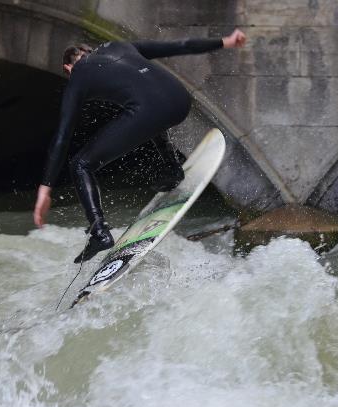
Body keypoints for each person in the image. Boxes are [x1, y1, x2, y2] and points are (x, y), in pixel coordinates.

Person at [33, 29, 247, 263]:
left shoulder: (79, 74)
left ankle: (100, 232)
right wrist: (226, 41)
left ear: (68, 68)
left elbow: (63, 135)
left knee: (81, 164)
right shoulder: (120, 46)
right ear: (90, 51)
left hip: (150, 109)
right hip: (180, 101)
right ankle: (171, 169)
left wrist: (46, 188)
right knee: (143, 111)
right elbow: (179, 46)